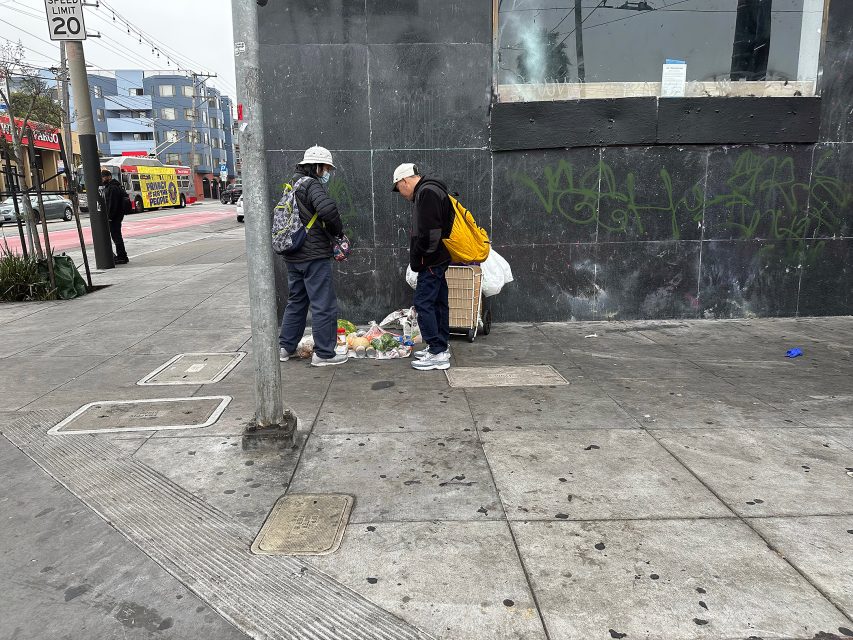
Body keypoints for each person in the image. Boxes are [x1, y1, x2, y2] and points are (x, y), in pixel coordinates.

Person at [278, 146, 348, 367]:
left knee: (297, 301)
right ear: (316, 166)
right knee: (323, 304)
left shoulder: (292, 184)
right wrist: (338, 232)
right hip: (313, 255)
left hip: (293, 254)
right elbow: (327, 209)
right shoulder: (311, 184)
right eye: (326, 168)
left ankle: (285, 347)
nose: (327, 172)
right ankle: (325, 354)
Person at [392, 163, 453, 371]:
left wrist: (423, 257)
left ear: (404, 181)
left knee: (424, 302)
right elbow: (444, 225)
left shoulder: (426, 193)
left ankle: (437, 351)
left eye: (398, 188)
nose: (400, 193)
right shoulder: (434, 189)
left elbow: (431, 232)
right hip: (438, 258)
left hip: (431, 261)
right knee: (438, 302)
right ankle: (441, 345)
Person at [101, 169, 129, 264]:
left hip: (114, 216)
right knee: (116, 236)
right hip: (117, 215)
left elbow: (113, 204)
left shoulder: (112, 188)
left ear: (109, 177)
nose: (102, 179)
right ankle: (122, 256)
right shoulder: (113, 186)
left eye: (104, 177)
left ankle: (122, 256)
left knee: (116, 236)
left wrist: (110, 216)